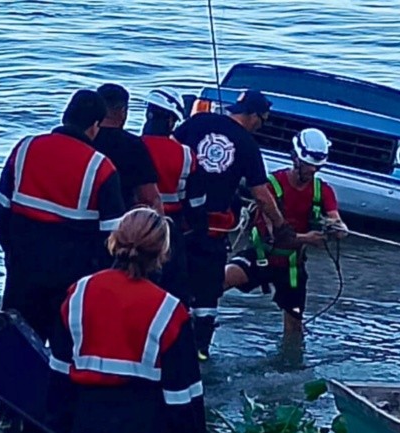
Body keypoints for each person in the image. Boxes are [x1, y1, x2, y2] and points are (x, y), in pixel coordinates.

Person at [0, 89, 126, 433]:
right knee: (67, 350)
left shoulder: (26, 148)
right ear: (95, 126)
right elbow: (112, 238)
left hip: (23, 267)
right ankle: (57, 422)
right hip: (73, 278)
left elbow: (1, 206)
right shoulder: (101, 168)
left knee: (14, 339)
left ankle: (8, 418)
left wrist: (10, 251)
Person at [48, 207, 207, 433]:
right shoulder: (169, 312)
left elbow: (58, 377)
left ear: (113, 241)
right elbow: (183, 401)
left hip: (86, 427)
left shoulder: (78, 293)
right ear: (163, 252)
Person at [172, 88, 298, 360]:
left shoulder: (196, 122)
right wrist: (279, 225)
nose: (261, 126)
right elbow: (262, 194)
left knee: (174, 284)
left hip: (177, 225)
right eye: (262, 120)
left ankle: (167, 342)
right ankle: (199, 351)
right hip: (211, 232)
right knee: (206, 294)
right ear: (253, 116)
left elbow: (167, 152)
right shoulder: (247, 144)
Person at [224, 128, 348, 335]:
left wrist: (336, 228)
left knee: (294, 324)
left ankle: (292, 360)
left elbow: (338, 223)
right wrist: (307, 239)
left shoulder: (323, 191)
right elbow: (274, 234)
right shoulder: (270, 187)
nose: (313, 171)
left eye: (317, 166)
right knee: (219, 280)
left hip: (292, 268)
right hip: (261, 257)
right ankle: (192, 315)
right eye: (309, 165)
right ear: (296, 159)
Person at [140, 88, 208, 304]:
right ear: (172, 121)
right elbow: (195, 202)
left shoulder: (132, 147)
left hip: (133, 225)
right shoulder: (186, 155)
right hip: (172, 229)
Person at [93, 83, 163, 213]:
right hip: (122, 220)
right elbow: (150, 197)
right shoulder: (133, 145)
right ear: (123, 111)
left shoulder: (84, 141)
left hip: (80, 220)